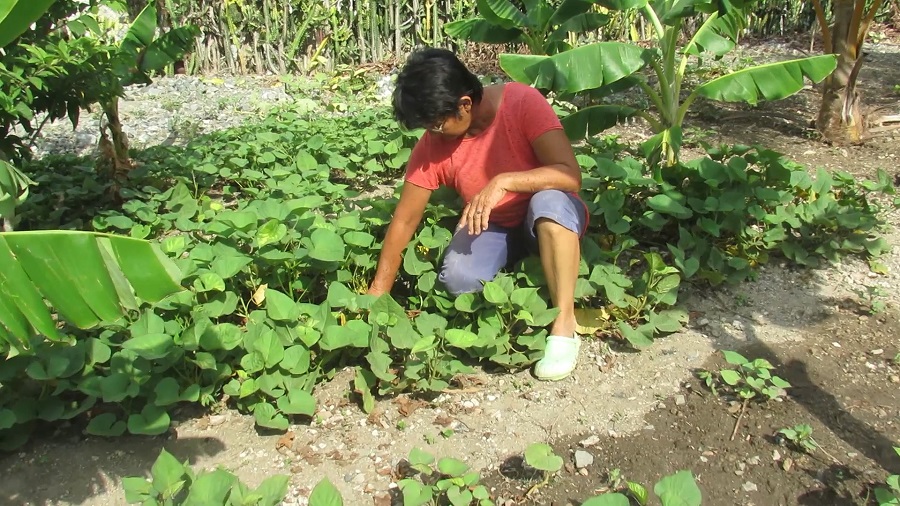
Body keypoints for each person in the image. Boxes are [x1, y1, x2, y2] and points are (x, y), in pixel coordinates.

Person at [366, 48, 587, 381]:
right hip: (495, 224)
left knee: (550, 204)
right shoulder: (433, 143)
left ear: (465, 104)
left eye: (437, 124)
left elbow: (570, 175)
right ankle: (522, 262)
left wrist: (505, 181)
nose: (432, 133)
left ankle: (564, 326)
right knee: (457, 278)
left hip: (545, 212)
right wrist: (378, 293)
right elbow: (405, 218)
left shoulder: (522, 103)